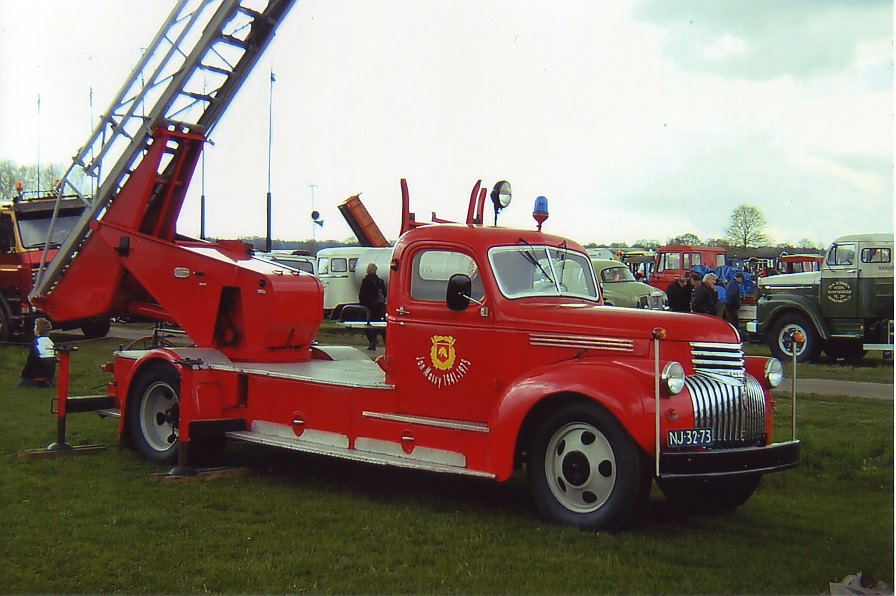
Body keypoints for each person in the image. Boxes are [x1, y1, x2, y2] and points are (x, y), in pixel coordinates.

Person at [18, 318, 56, 387]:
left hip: (36, 377)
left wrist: (24, 374)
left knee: (20, 384)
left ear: (38, 330)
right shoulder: (50, 342)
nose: (34, 329)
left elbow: (31, 361)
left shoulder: (36, 342)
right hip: (47, 377)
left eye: (35, 327)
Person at [358, 262, 387, 351]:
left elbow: (362, 294)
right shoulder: (380, 281)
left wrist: (363, 304)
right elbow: (385, 293)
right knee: (380, 325)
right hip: (379, 305)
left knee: (367, 324)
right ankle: (387, 342)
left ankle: (372, 341)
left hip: (369, 306)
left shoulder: (366, 280)